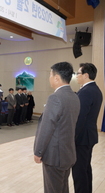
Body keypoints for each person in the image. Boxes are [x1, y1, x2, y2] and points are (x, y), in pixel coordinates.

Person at [34, 62, 80, 193]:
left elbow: (46, 128)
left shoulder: (55, 98)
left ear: (56, 78)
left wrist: (38, 152)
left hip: (55, 156)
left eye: (50, 74)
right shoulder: (74, 96)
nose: (49, 78)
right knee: (62, 188)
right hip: (68, 153)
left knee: (53, 190)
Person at [72, 63, 103, 193]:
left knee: (79, 172)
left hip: (82, 138)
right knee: (85, 169)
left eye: (78, 73)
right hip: (88, 136)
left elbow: (80, 118)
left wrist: (72, 138)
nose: (76, 76)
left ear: (85, 75)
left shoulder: (86, 92)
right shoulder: (94, 89)